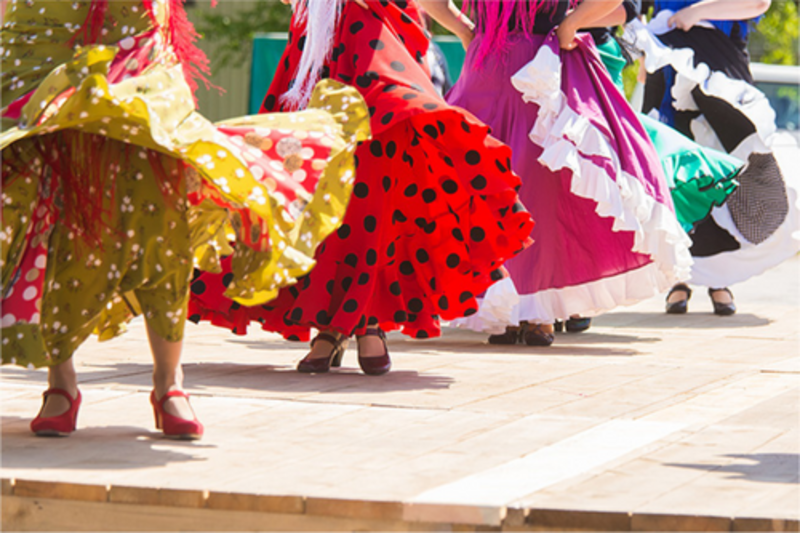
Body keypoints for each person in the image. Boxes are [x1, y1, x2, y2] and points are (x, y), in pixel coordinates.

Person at [1, 0, 369, 438]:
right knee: (65, 216)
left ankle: (169, 384)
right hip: (47, 42)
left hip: (137, 51)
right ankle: (61, 384)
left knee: (161, 219)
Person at [189, 0, 535, 373]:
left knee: (371, 189)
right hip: (318, 50)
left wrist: (465, 28)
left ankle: (361, 321)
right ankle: (335, 324)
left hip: (378, 46)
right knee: (314, 187)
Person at [423, 0, 692, 346]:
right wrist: (571, 25)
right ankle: (530, 313)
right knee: (533, 190)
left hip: (502, 66)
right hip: (535, 67)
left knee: (492, 188)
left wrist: (464, 29)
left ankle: (517, 311)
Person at [627, 0, 800, 315]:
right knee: (678, 176)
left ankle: (719, 281)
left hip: (720, 71)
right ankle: (679, 278)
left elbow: (758, 2)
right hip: (667, 72)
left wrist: (698, 11)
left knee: (727, 170)